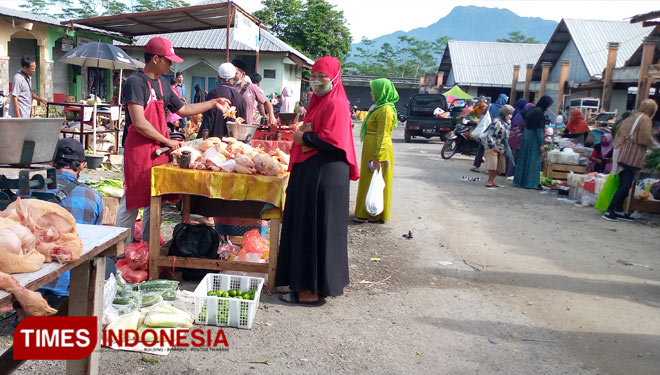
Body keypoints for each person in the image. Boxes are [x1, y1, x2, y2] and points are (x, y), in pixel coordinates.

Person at [116, 36, 231, 244]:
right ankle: (119, 252)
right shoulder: (135, 82)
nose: (171, 64)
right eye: (168, 60)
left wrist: (213, 102)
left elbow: (183, 109)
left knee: (155, 200)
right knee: (132, 201)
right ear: (156, 59)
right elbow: (140, 122)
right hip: (138, 151)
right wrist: (168, 141)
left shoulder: (163, 84)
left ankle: (150, 251)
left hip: (158, 151)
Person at [276, 56, 359, 305]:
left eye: (322, 77)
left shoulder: (336, 103)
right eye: (313, 76)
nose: (316, 82)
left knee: (313, 228)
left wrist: (304, 138)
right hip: (315, 170)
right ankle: (310, 285)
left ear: (334, 77)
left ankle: (309, 291)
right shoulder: (318, 100)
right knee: (310, 226)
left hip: (325, 173)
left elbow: (333, 140)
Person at [16, 138, 105, 323]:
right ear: (82, 166)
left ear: (51, 163)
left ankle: (25, 314)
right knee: (107, 262)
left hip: (29, 285)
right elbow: (94, 242)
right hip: (70, 287)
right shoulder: (94, 197)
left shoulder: (28, 190)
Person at [603, 99, 660, 221]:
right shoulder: (645, 119)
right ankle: (609, 211)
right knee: (626, 185)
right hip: (630, 155)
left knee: (625, 183)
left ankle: (618, 210)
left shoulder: (633, 117)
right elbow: (645, 138)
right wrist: (657, 147)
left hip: (622, 151)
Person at [354, 78, 398, 223]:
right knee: (368, 180)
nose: (371, 92)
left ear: (381, 91)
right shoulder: (379, 107)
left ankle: (375, 213)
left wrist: (378, 157)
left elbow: (384, 135)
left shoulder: (385, 110)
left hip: (378, 151)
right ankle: (365, 212)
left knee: (377, 181)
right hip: (371, 149)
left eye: (374, 89)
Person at [514, 95, 553, 189]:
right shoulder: (539, 113)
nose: (549, 107)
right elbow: (539, 130)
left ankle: (520, 181)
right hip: (533, 138)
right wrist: (541, 144)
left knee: (523, 159)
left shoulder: (533, 110)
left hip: (526, 135)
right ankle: (531, 183)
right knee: (533, 161)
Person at [197, 62, 245, 138]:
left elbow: (208, 122)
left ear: (219, 76)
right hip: (234, 143)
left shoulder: (213, 94)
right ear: (234, 77)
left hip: (215, 142)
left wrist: (200, 139)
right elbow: (243, 122)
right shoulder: (240, 97)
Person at [472, 94, 508, 172]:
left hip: (486, 129)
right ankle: (490, 169)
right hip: (497, 132)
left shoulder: (491, 106)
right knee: (493, 151)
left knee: (481, 148)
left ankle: (477, 167)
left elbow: (483, 116)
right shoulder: (504, 109)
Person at [233, 60, 276, 126]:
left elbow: (266, 102)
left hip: (246, 126)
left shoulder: (252, 88)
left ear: (243, 74)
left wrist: (271, 116)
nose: (233, 76)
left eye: (235, 73)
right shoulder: (230, 88)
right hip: (232, 125)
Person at [484, 105, 514, 188]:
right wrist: (493, 145)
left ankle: (492, 181)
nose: (511, 116)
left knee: (499, 166)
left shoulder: (508, 123)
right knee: (492, 165)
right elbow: (490, 135)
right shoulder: (497, 122)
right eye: (509, 114)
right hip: (493, 146)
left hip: (502, 146)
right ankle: (489, 181)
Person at [508, 102, 534, 177]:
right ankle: (513, 173)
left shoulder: (518, 115)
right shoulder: (526, 116)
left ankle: (509, 173)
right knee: (516, 156)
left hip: (512, 136)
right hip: (519, 138)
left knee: (512, 155)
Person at [506, 99, 528, 177]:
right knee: (514, 156)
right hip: (517, 138)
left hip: (511, 136)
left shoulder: (516, 114)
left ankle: (508, 172)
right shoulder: (522, 115)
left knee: (510, 155)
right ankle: (510, 173)